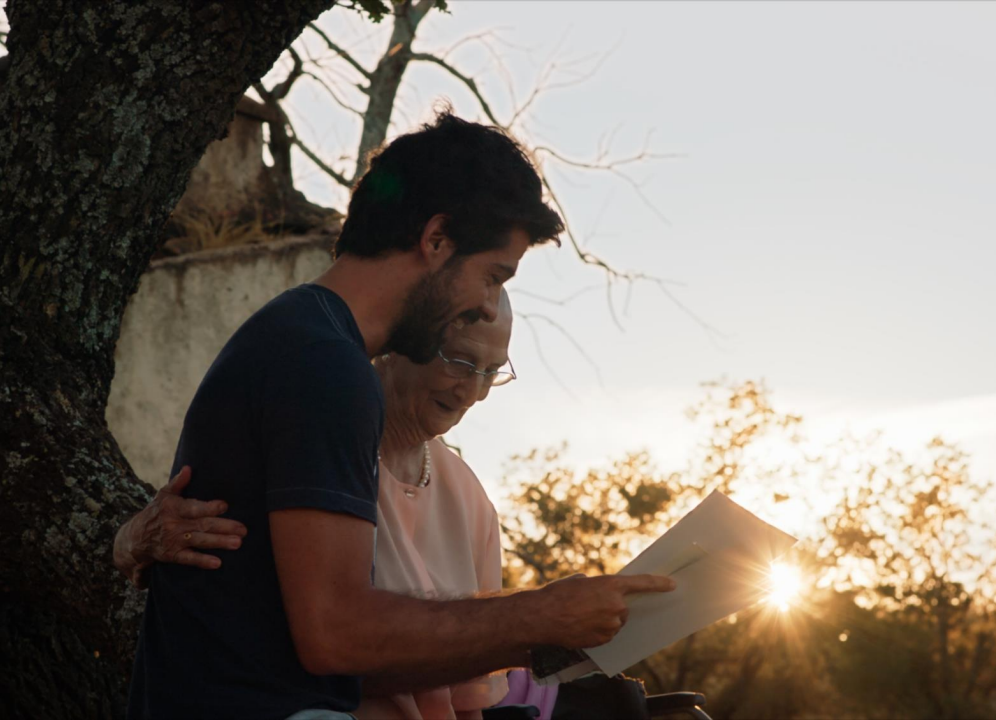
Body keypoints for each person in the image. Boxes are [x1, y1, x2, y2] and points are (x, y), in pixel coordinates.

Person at [123, 112, 674, 720]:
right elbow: (336, 633)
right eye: (493, 277)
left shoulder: (305, 340)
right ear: (436, 239)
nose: (485, 306)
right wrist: (542, 613)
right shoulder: (324, 365)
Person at [118, 290, 558, 720]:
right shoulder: (313, 449)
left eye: (492, 371)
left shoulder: (471, 498)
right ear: (401, 344)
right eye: (461, 362)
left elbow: (468, 700)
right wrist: (127, 538)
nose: (474, 391)